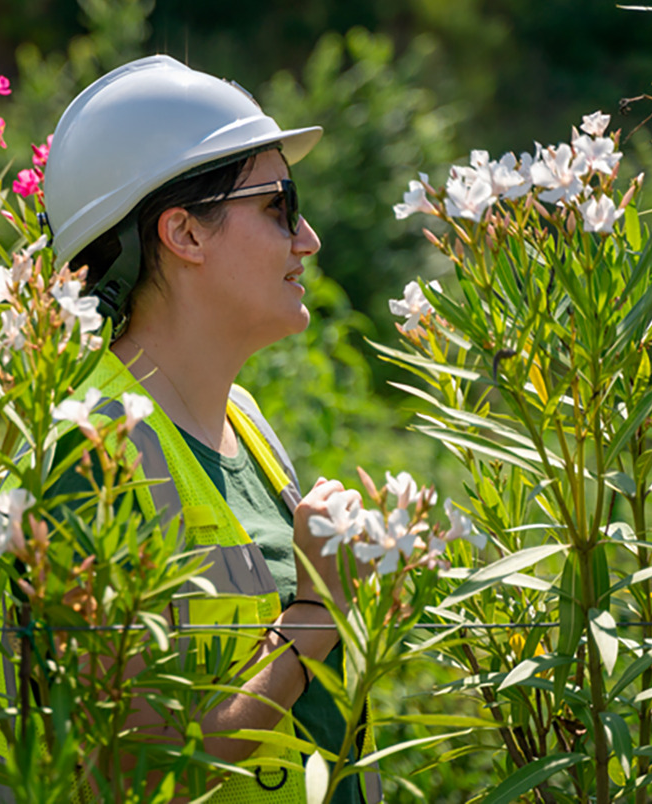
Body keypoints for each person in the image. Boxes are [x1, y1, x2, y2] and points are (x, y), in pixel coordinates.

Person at [42, 55, 381, 804]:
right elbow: (140, 768)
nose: (309, 239)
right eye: (279, 205)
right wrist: (319, 614)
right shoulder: (90, 451)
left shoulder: (245, 421)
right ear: (185, 233)